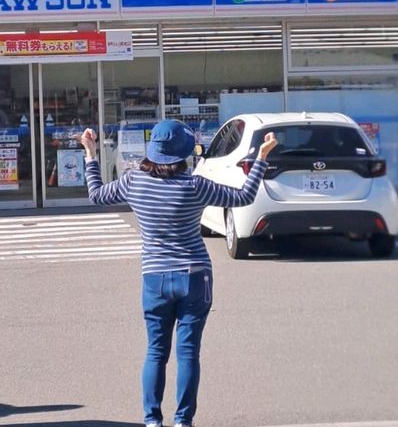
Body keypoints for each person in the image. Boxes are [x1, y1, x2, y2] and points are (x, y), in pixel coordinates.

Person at [80, 119, 277, 427]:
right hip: (194, 275)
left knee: (156, 352)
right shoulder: (195, 186)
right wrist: (262, 158)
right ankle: (183, 421)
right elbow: (243, 197)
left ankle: (152, 420)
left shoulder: (133, 182)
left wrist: (91, 154)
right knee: (188, 354)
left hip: (154, 277)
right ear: (183, 154)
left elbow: (96, 195)